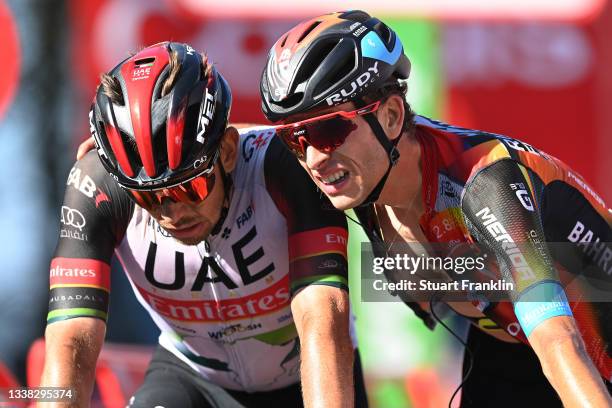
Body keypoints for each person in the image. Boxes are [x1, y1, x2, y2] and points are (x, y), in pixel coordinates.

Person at [260, 10, 612, 407]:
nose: (312, 158)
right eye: (294, 137)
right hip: (511, 350)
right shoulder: (361, 178)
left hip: (577, 351)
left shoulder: (484, 181)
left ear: (391, 116)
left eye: (327, 130)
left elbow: (558, 338)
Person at [41, 41, 368, 408]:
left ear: (227, 151)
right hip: (191, 378)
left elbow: (322, 324)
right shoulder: (96, 187)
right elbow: (71, 343)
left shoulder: (284, 166)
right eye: (148, 197)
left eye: (189, 187)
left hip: (304, 376)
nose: (171, 213)